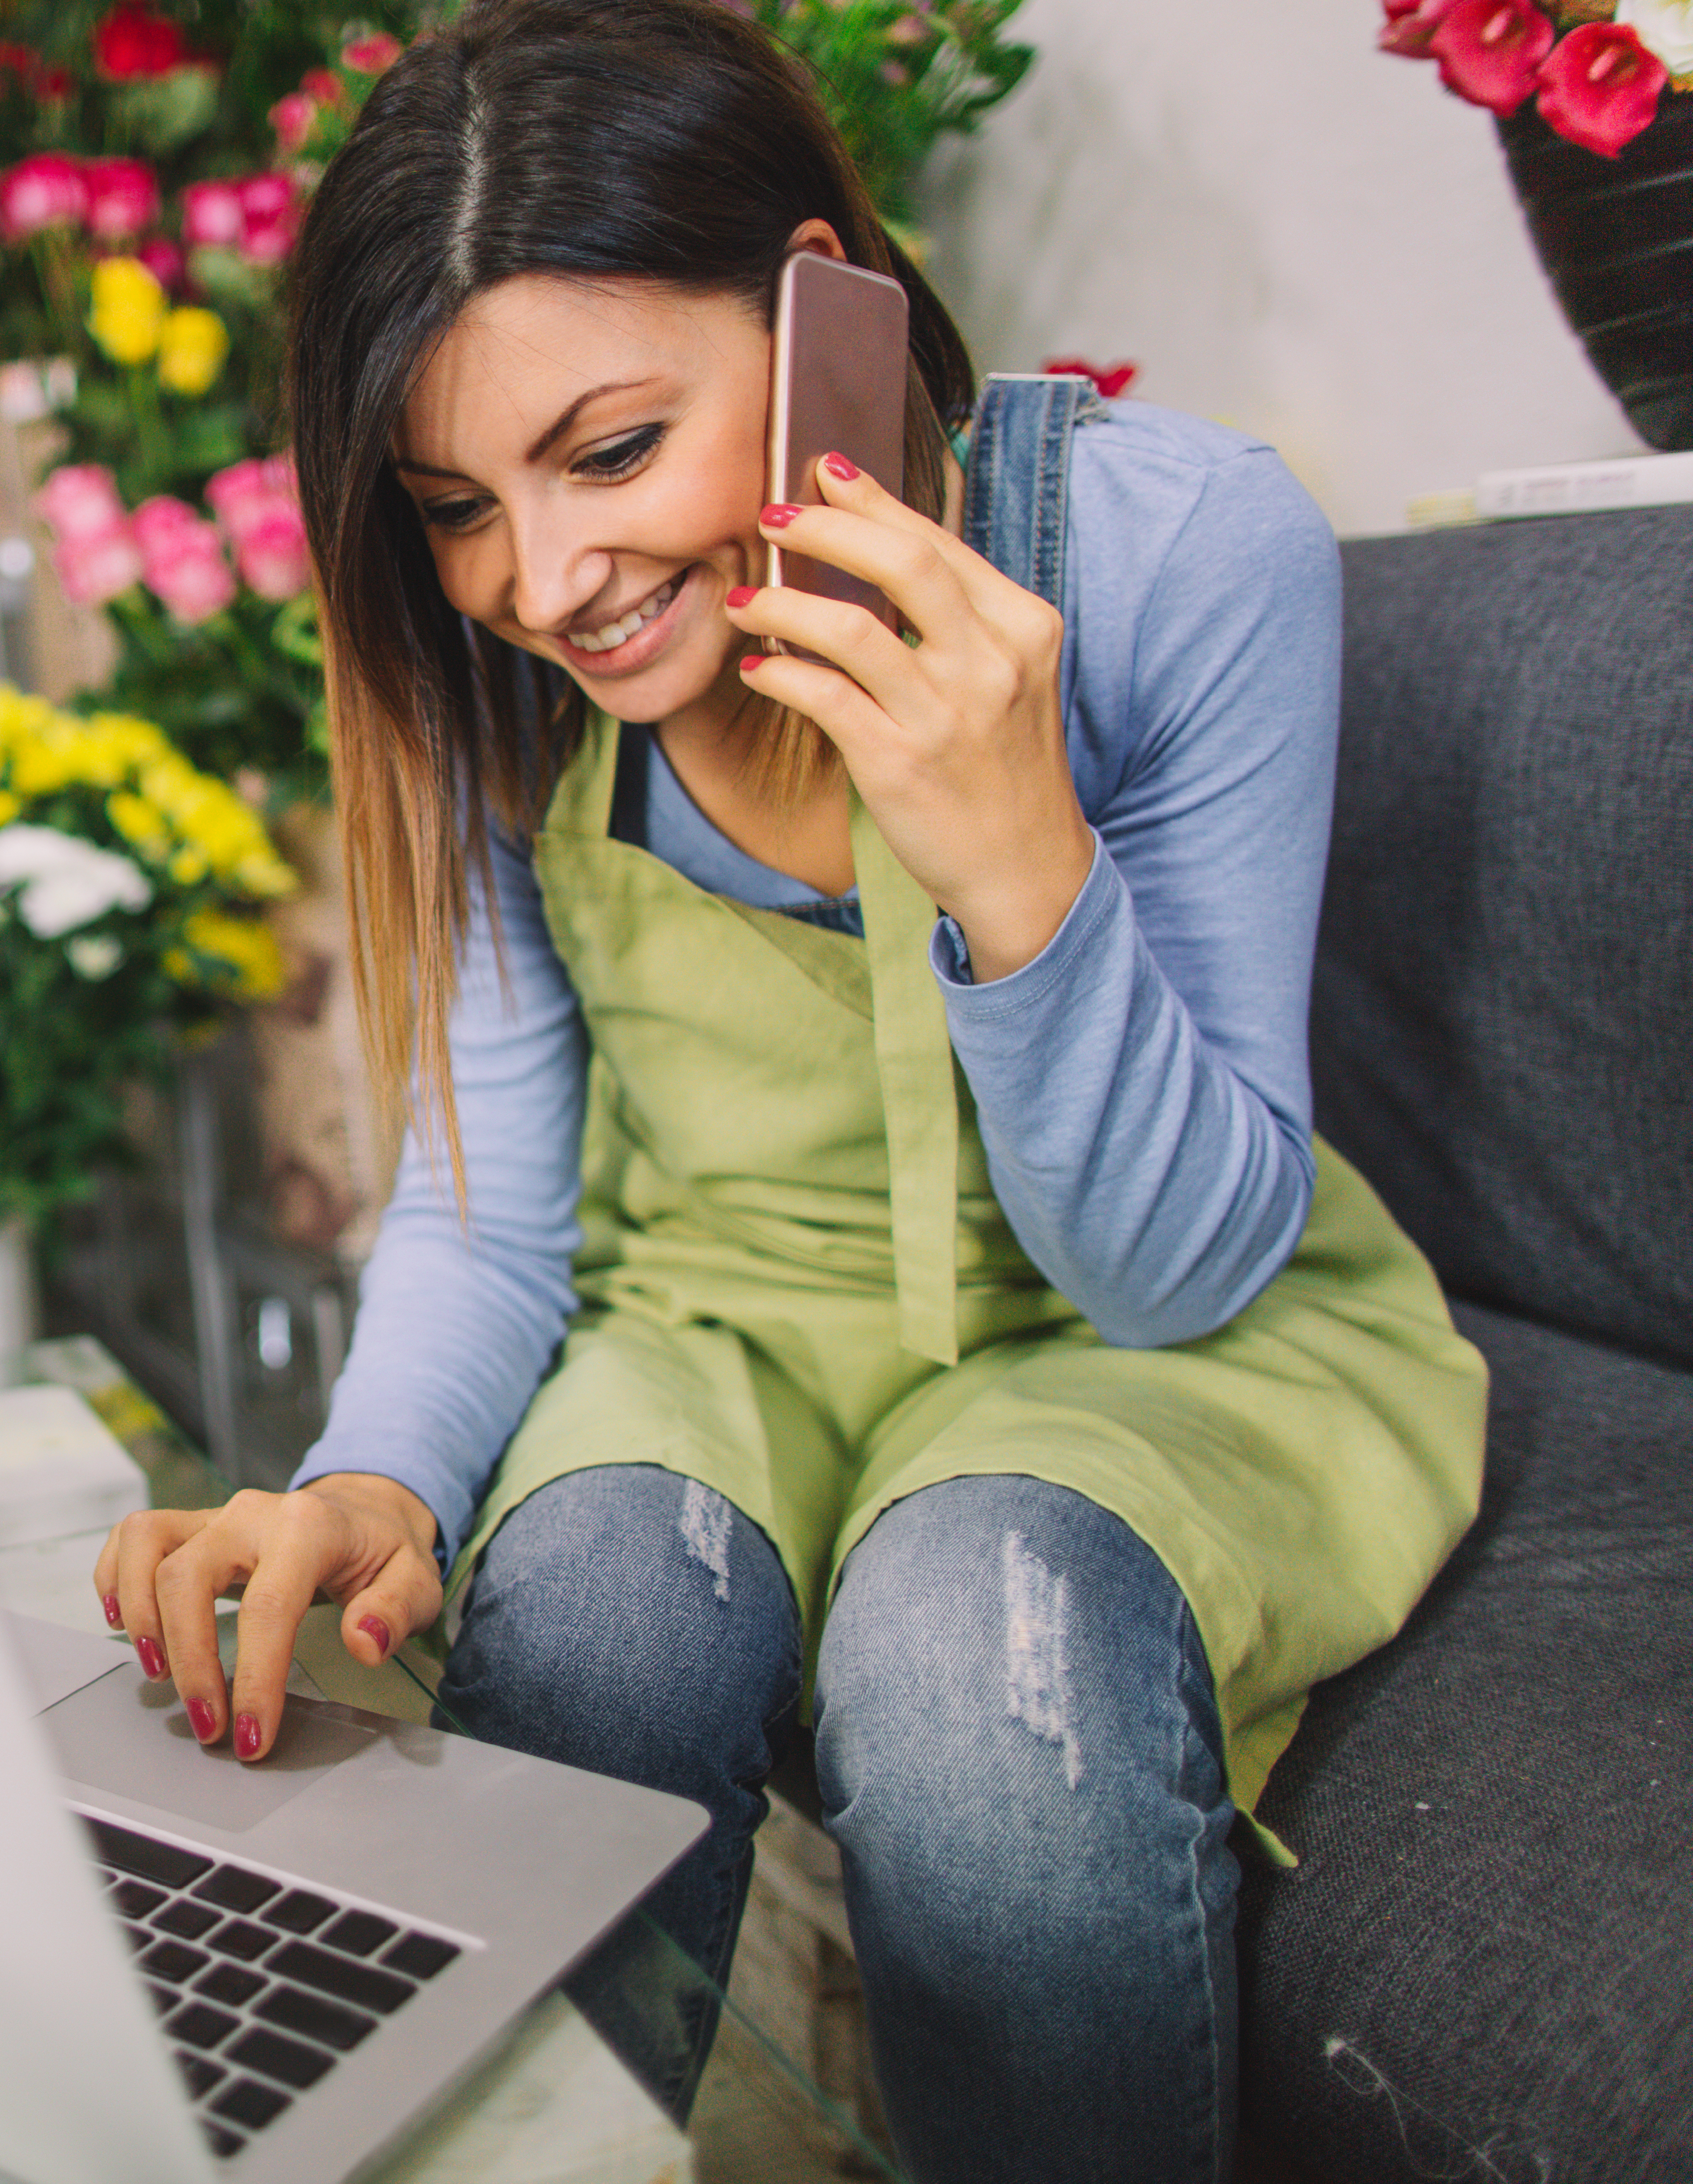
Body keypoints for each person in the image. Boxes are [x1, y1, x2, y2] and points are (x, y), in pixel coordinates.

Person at [86, 2, 1487, 2176]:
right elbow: (489, 1213)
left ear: (824, 293)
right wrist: (373, 1481)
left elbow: (1182, 1264)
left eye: (614, 448)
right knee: (588, 1618)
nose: (544, 585)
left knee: (971, 1635)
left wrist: (1007, 852)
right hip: (724, 1319)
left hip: (1143, 1341)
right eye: (460, 505)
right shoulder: (495, 687)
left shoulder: (1177, 554)